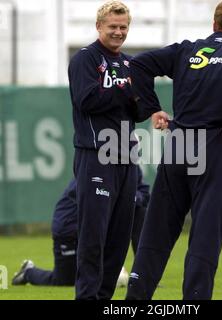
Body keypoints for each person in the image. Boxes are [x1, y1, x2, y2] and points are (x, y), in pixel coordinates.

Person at [126, 0, 222, 300]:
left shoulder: (187, 50)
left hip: (179, 144)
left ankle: (135, 301)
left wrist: (152, 109)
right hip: (215, 146)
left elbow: (138, 64)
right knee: (205, 235)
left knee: (157, 231)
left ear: (214, 25)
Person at [68, 1, 138, 300]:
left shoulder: (130, 63)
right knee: (94, 236)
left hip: (127, 156)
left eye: (123, 27)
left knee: (119, 238)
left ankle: (105, 299)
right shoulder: (85, 59)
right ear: (99, 27)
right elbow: (87, 99)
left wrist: (137, 99)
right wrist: (125, 91)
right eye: (113, 26)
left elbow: (140, 108)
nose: (118, 32)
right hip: (96, 154)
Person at [11, 166, 150, 287]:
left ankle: (142, 273)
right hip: (69, 229)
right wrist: (125, 196)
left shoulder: (131, 168)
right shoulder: (95, 168)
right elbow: (90, 197)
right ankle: (28, 272)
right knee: (64, 280)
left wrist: (129, 197)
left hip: (96, 226)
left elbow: (144, 192)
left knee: (138, 209)